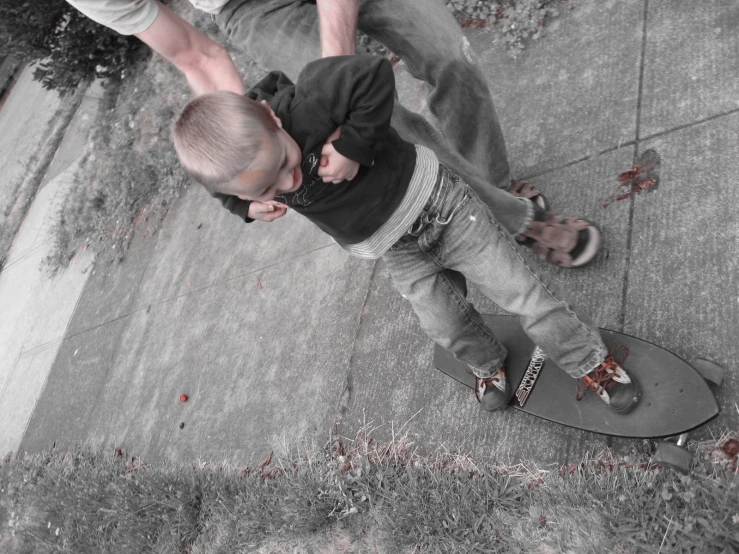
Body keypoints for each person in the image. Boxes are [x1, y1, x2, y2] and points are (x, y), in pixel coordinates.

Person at [171, 55, 640, 413]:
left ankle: (588, 361)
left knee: (524, 296)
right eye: (269, 188)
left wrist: (355, 146)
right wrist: (244, 204)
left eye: (286, 166)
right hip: (396, 249)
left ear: (272, 120)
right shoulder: (249, 173)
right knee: (443, 323)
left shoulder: (311, 101)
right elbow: (222, 191)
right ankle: (488, 364)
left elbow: (372, 74)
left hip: (444, 210)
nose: (288, 186)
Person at [67, 0, 601, 268]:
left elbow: (351, 80)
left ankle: (494, 188)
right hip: (251, 6)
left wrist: (336, 88)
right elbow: (197, 55)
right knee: (386, 125)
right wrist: (241, 168)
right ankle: (514, 218)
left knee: (446, 56)